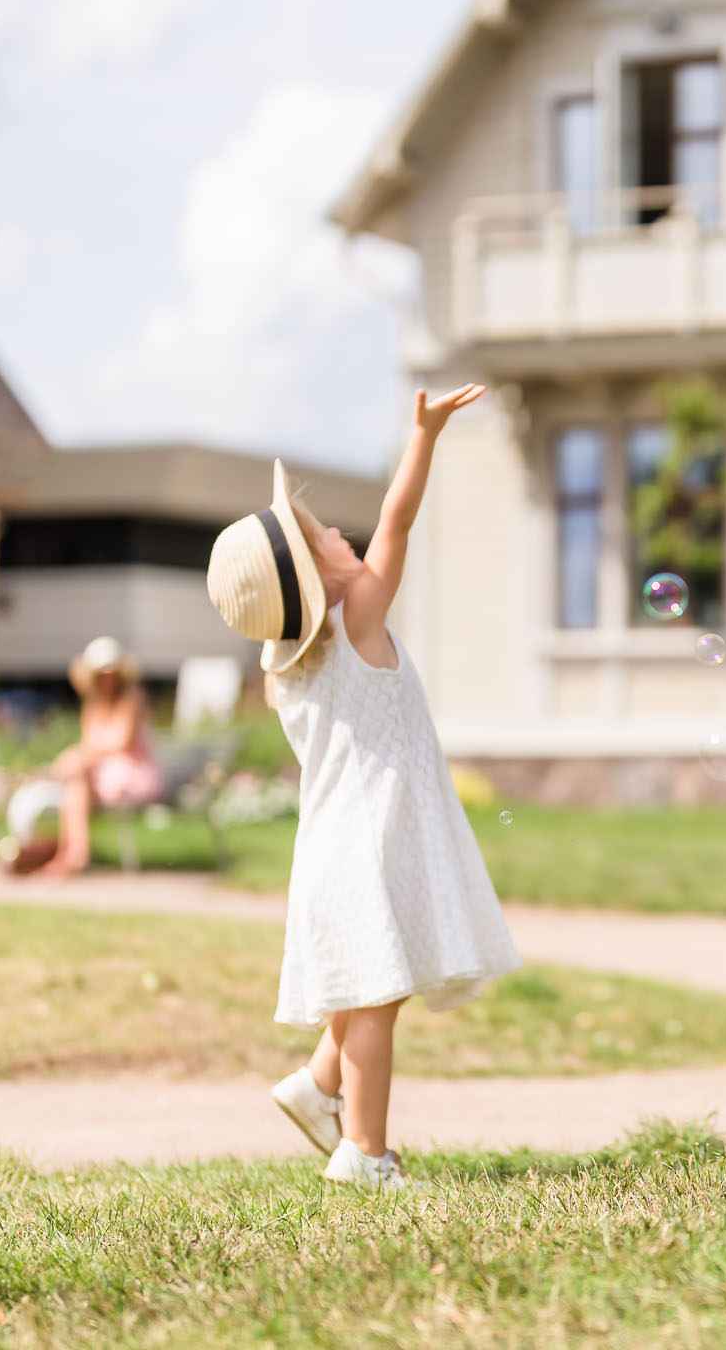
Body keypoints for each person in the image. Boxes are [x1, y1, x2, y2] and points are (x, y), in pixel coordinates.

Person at [204, 385, 521, 1188]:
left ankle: (317, 1085)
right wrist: (424, 435)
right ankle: (365, 1152)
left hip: (335, 848)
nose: (343, 535)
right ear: (320, 583)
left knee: (367, 978)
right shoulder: (359, 622)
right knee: (377, 997)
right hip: (371, 842)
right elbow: (398, 522)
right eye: (325, 539)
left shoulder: (291, 669)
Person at [42, 635, 163, 877]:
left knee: (78, 775)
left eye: (112, 672)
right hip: (103, 774)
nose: (108, 679)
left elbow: (119, 744)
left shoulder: (131, 700)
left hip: (132, 774)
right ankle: (73, 853)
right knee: (77, 778)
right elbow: (90, 745)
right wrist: (75, 757)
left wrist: (77, 757)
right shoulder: (92, 704)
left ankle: (75, 854)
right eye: (102, 673)